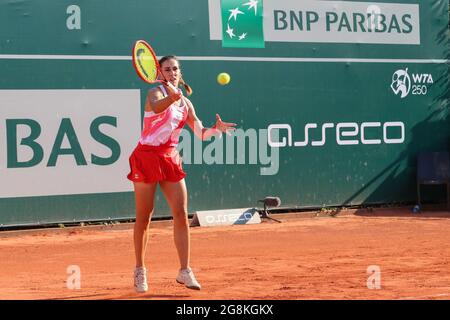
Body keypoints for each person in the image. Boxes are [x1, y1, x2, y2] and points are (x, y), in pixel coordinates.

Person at [127, 55, 236, 293]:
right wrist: (171, 98)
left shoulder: (186, 103)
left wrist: (215, 130)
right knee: (144, 216)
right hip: (146, 156)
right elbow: (156, 107)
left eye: (175, 68)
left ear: (180, 71)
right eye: (167, 69)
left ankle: (184, 270)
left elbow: (201, 133)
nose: (172, 72)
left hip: (169, 157)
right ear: (160, 73)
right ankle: (140, 270)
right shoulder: (154, 93)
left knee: (181, 212)